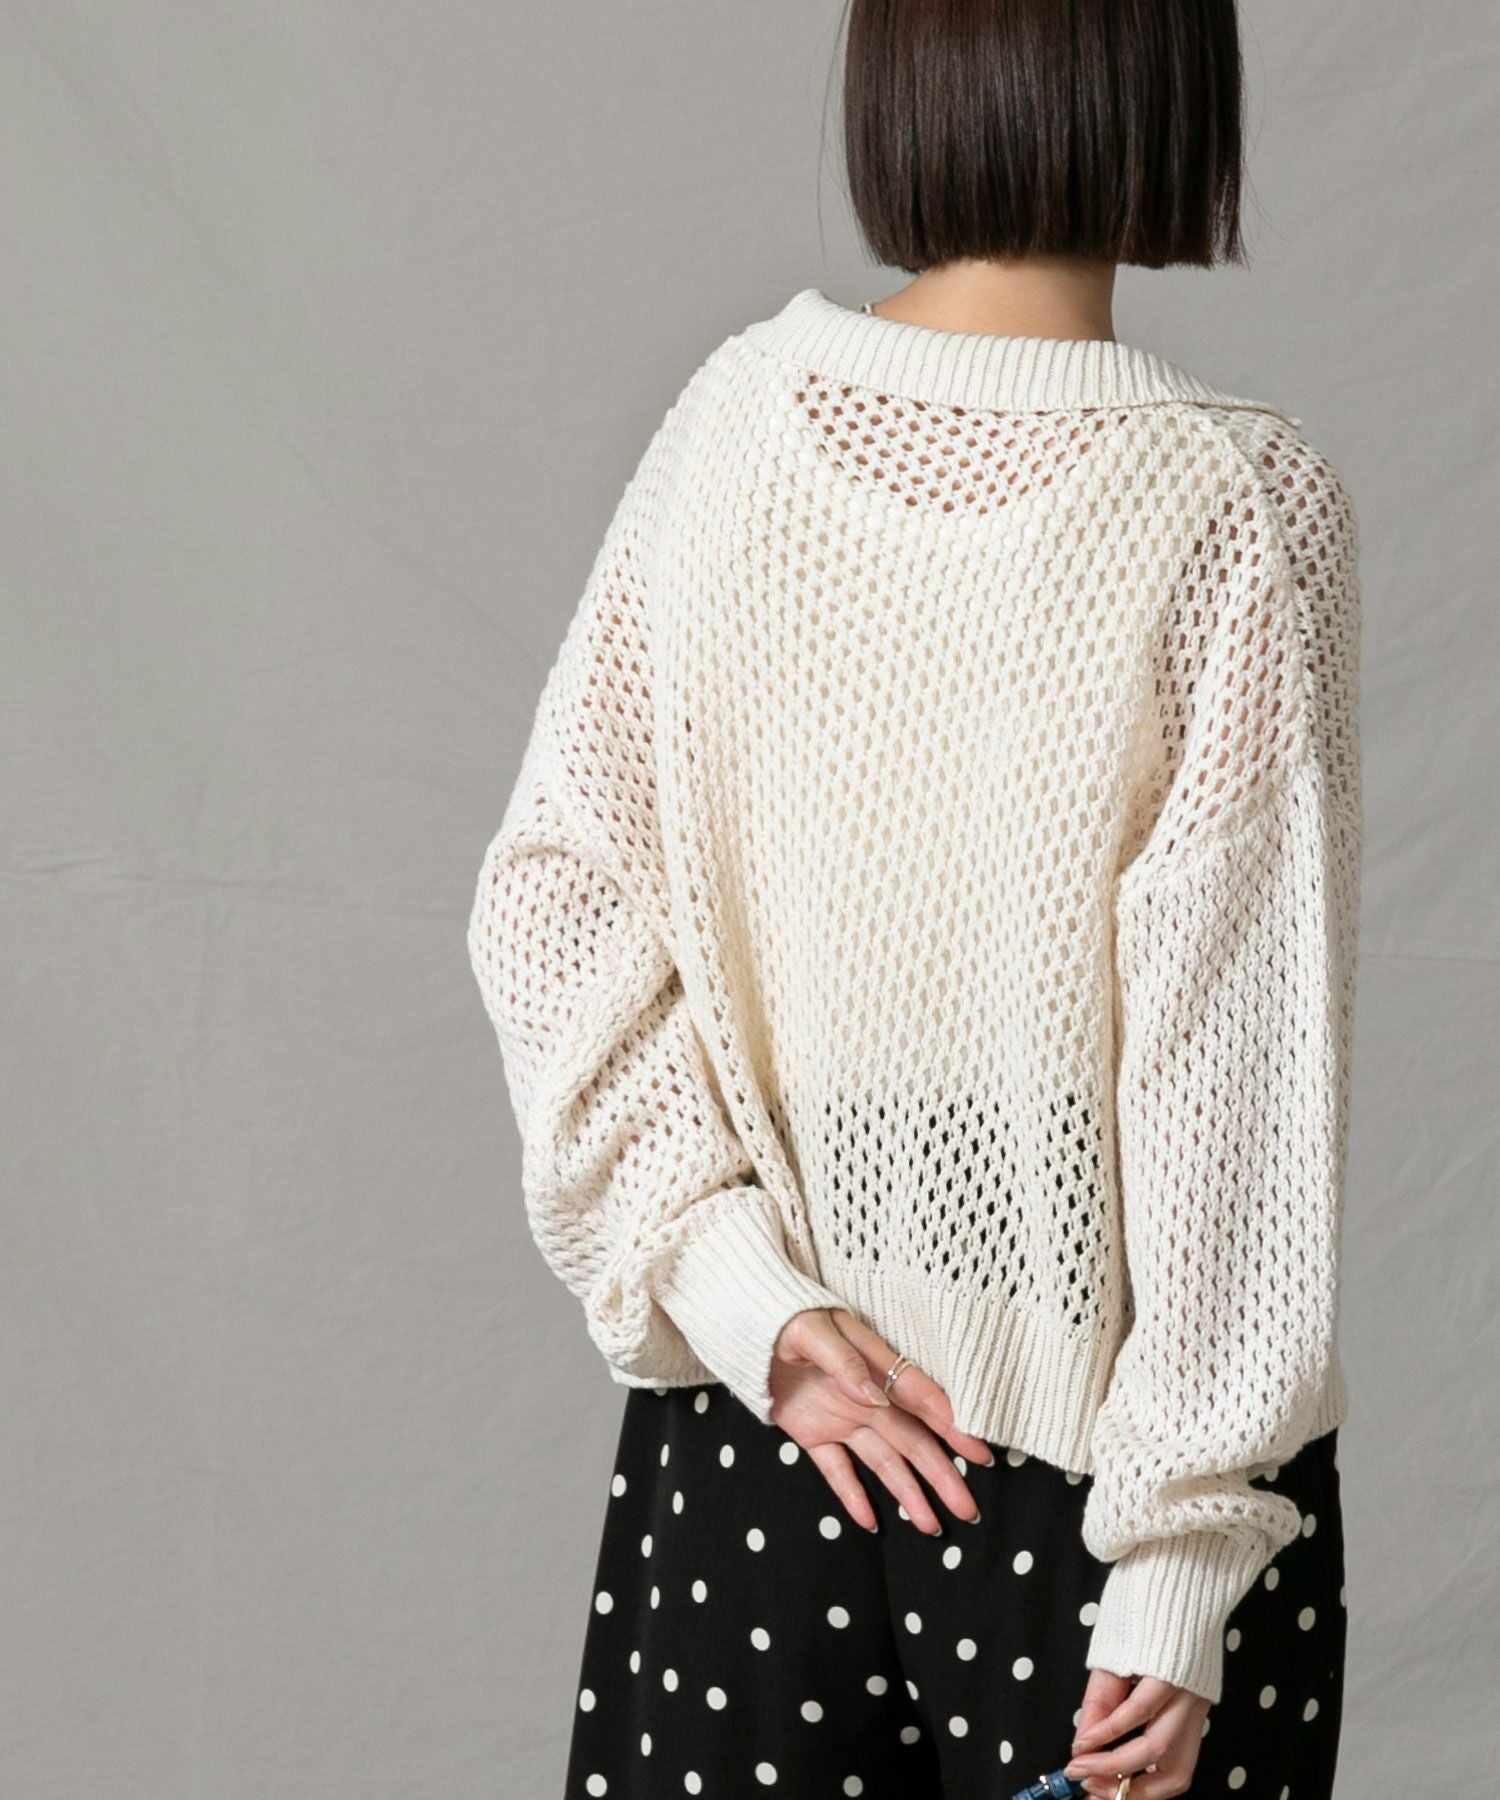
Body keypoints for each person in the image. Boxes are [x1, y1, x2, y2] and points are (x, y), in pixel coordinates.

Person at [466, 2, 1361, 1795]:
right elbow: (1234, 1085)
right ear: (1174, 77)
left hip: (765, 1441)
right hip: (1105, 1505)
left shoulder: (730, 426)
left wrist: (746, 1300)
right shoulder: (1238, 500)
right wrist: (1183, 1568)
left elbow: (554, 903)